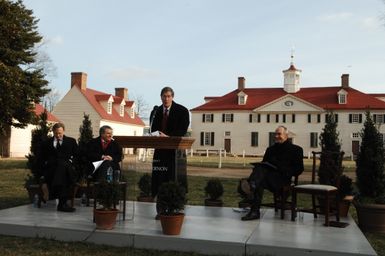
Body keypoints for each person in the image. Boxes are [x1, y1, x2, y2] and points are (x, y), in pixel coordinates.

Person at [241, 125, 304, 221]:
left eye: (279, 134)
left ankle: (251, 191)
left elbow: (299, 169)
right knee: (259, 172)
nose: (276, 136)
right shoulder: (270, 149)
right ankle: (253, 189)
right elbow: (264, 165)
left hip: (283, 180)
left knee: (258, 179)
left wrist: (283, 169)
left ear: (286, 135)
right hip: (268, 178)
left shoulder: (296, 150)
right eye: (275, 134)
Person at [150, 87, 190, 200]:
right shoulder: (156, 111)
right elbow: (153, 128)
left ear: (172, 97)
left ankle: (175, 205)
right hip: (160, 151)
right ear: (161, 97)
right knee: (159, 180)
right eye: (164, 96)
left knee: (173, 179)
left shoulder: (182, 110)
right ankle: (160, 205)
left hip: (175, 151)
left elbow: (182, 130)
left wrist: (168, 137)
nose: (166, 99)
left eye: (168, 96)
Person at [39, 123, 79, 212]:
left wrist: (72, 163)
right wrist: (42, 172)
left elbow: (77, 156)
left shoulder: (71, 141)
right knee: (62, 175)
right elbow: (41, 158)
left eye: (60, 133)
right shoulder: (46, 143)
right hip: (52, 169)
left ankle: (50, 193)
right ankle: (62, 204)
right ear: (53, 132)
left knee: (63, 167)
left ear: (63, 131)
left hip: (67, 168)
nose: (58, 135)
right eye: (56, 133)